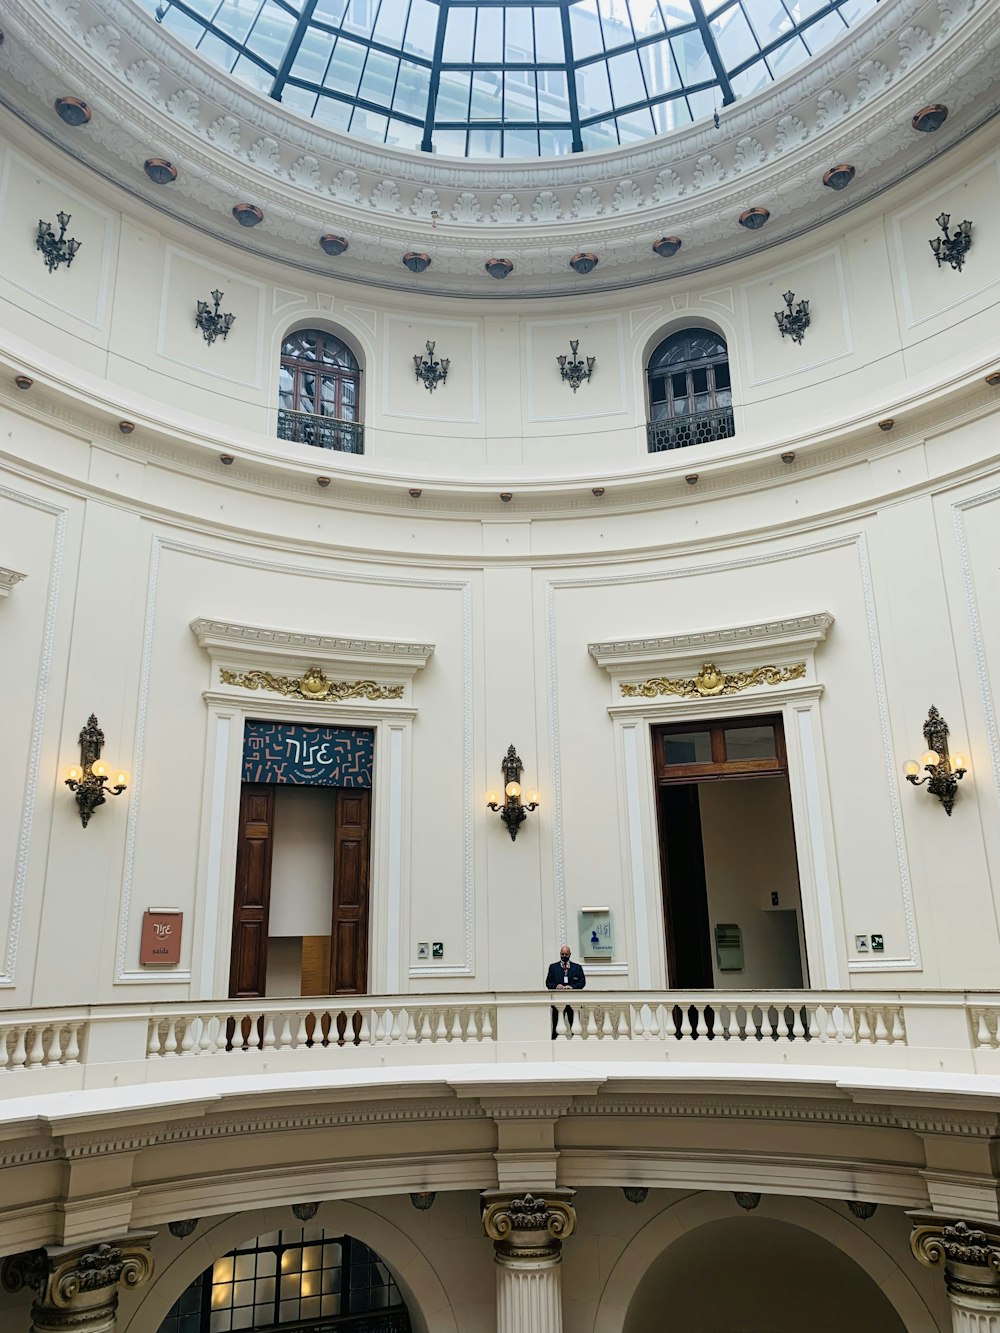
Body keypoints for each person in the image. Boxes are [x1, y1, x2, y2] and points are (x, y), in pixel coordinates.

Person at [545, 944, 586, 1038]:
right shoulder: (553, 967)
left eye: (566, 954)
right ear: (560, 954)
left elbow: (582, 982)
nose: (564, 956)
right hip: (558, 1002)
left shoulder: (577, 968)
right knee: (556, 1027)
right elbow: (548, 983)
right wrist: (556, 986)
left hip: (573, 1002)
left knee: (575, 1028)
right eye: (562, 954)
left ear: (570, 955)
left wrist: (572, 987)